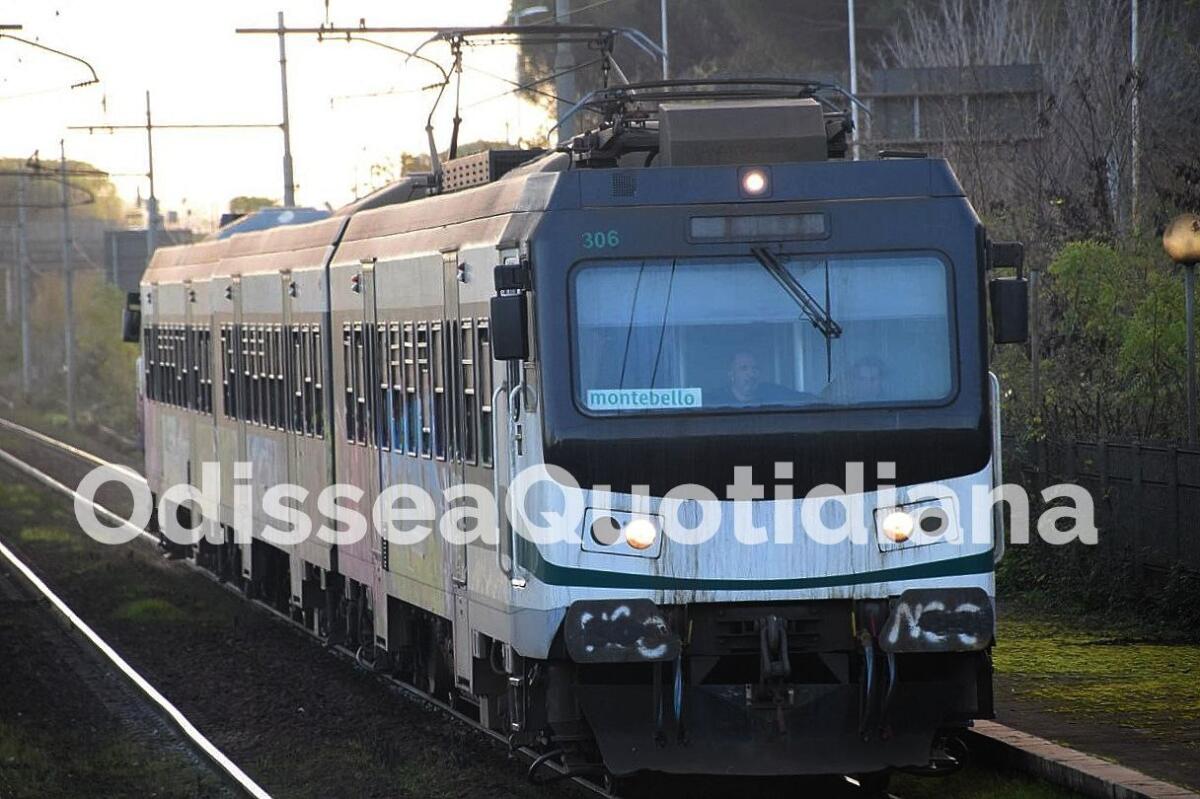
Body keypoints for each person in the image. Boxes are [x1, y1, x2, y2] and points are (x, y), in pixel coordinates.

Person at [714, 351, 805, 406]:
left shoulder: (773, 393)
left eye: (755, 368)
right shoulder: (716, 400)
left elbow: (806, 400)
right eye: (744, 368)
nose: (751, 374)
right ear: (731, 374)